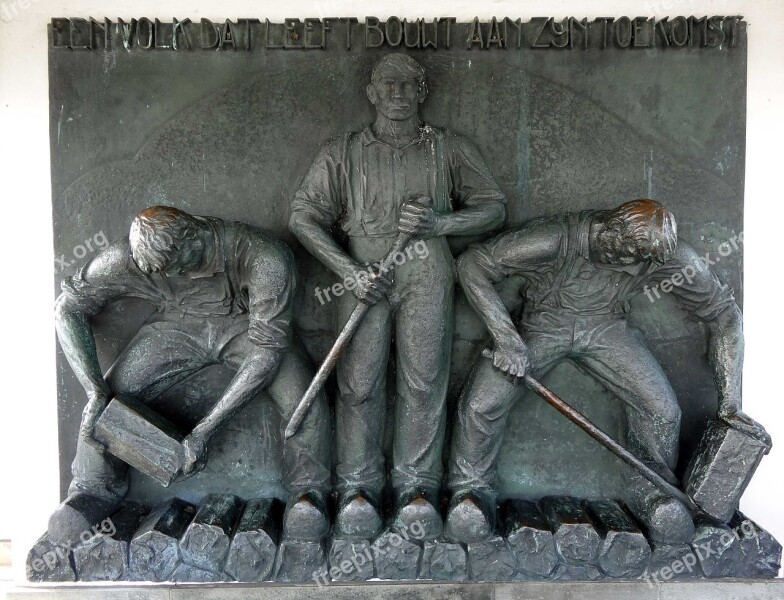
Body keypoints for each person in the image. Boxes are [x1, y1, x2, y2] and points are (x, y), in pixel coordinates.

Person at [446, 199, 768, 543]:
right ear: (610, 229)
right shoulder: (554, 238)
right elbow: (472, 264)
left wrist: (730, 402)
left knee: (662, 410)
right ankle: (471, 492)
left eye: (640, 260)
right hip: (543, 324)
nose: (632, 265)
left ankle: (651, 494)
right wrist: (506, 339)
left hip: (605, 328)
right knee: (481, 403)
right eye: (627, 254)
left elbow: (724, 315)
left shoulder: (658, 255)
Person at [290, 53, 506, 539]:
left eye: (409, 84)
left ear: (422, 91)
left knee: (424, 381)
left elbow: (493, 207)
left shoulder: (448, 148)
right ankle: (357, 488)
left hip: (427, 267)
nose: (398, 92)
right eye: (388, 83)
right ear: (371, 91)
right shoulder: (341, 152)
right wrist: (348, 270)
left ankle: (417, 488)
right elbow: (303, 216)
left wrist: (441, 223)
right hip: (363, 272)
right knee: (358, 383)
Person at [49, 206, 331, 545]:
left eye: (177, 267)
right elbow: (67, 308)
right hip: (176, 325)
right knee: (110, 396)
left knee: (303, 398)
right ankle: (92, 491)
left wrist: (203, 432)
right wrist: (94, 390)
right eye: (161, 272)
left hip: (248, 329)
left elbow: (267, 353)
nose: (173, 276)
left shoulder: (264, 257)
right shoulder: (126, 259)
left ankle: (308, 493)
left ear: (195, 237)